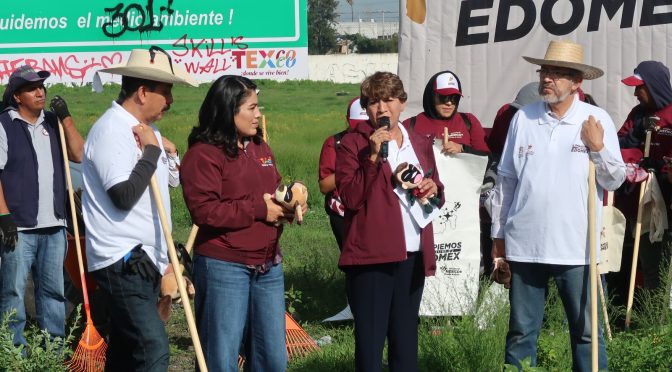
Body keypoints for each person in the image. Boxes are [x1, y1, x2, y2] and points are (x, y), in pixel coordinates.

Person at [490, 40, 625, 371]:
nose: (548, 78)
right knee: (521, 333)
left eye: (558, 73)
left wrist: (598, 148)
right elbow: (506, 181)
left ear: (577, 82)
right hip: (525, 247)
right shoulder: (523, 118)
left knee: (587, 335)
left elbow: (614, 180)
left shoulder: (595, 119)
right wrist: (498, 238)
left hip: (576, 248)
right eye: (545, 71)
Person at [82, 46, 197, 370]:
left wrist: (164, 259)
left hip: (145, 259)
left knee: (126, 351)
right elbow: (123, 195)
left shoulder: (151, 133)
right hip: (121, 259)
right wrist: (149, 152)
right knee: (153, 348)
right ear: (144, 92)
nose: (171, 100)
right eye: (167, 91)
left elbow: (154, 200)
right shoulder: (111, 130)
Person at [180, 75, 294, 372]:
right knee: (221, 356)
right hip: (224, 266)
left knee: (272, 358)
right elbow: (204, 212)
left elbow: (275, 188)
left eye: (259, 107)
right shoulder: (203, 154)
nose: (259, 115)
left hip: (268, 266)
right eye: (252, 108)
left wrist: (290, 204)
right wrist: (259, 210)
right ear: (229, 110)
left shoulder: (260, 148)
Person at [335, 71, 444, 372]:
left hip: (413, 254)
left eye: (388, 100)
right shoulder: (351, 144)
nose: (381, 108)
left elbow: (436, 190)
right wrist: (371, 157)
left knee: (405, 340)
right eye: (372, 102)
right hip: (373, 256)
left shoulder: (419, 142)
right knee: (371, 344)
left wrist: (434, 189)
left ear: (402, 104)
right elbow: (351, 198)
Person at [0, 65, 84, 348]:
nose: (40, 92)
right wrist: (4, 215)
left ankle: (53, 351)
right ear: (16, 96)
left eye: (42, 87)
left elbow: (78, 154)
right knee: (13, 292)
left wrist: (67, 118)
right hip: (19, 227)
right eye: (31, 88)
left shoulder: (53, 122)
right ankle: (14, 353)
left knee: (53, 292)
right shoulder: (4, 125)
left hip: (55, 225)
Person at [616, 61, 672, 292]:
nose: (635, 93)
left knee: (668, 263)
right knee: (649, 263)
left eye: (640, 87)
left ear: (654, 86)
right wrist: (638, 132)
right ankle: (654, 322)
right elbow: (617, 146)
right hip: (644, 202)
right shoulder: (637, 114)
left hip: (669, 199)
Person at [319, 97, 369, 321]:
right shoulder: (335, 143)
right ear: (347, 121)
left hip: (372, 210)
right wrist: (352, 166)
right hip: (342, 211)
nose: (359, 132)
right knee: (352, 262)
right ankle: (354, 307)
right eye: (355, 126)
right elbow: (324, 185)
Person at [403, 70, 489, 155]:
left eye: (454, 97)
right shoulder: (410, 125)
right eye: (443, 97)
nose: (449, 103)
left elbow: (487, 157)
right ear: (431, 96)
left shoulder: (469, 121)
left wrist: (462, 148)